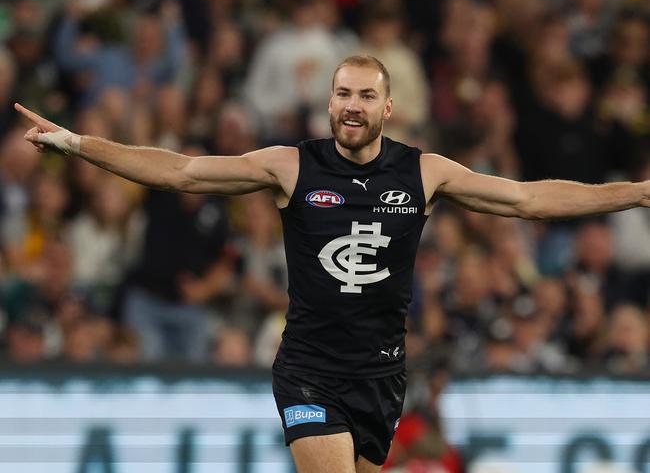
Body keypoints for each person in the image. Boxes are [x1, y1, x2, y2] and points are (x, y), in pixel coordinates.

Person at [14, 55, 650, 473]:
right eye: (342, 93)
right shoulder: (291, 165)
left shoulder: (424, 173)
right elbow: (180, 170)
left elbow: (528, 200)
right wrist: (76, 143)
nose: (352, 105)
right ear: (328, 102)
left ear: (387, 108)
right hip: (309, 369)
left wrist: (638, 192)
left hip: (381, 374)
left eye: (366, 96)